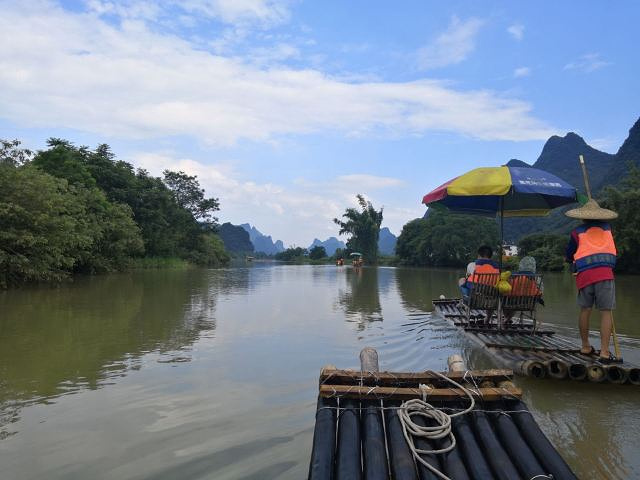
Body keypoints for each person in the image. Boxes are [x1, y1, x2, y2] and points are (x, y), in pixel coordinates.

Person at [564, 199, 619, 363]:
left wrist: (571, 260)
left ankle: (585, 346)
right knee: (606, 312)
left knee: (585, 309)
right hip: (605, 274)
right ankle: (604, 352)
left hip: (585, 275)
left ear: (582, 218)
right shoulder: (608, 230)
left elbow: (569, 256)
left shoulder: (576, 233)